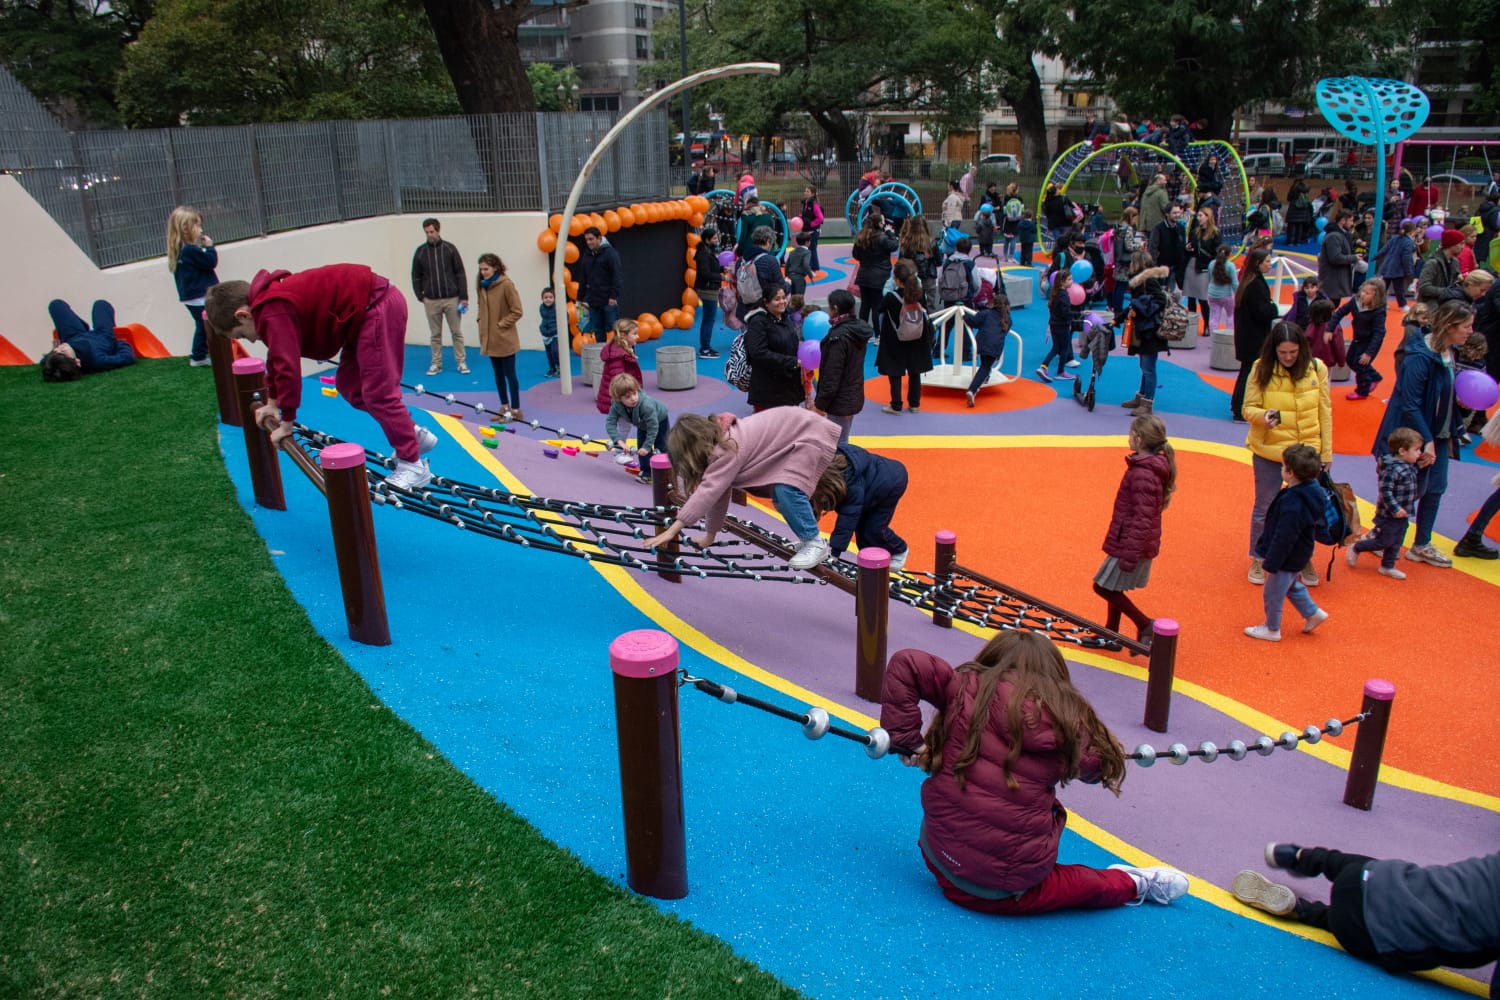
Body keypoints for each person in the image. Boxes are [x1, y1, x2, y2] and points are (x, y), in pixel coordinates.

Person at [879, 630, 1191, 915]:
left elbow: (907, 663)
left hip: (937, 858)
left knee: (968, 796)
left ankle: (1133, 882)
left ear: (994, 659)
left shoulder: (964, 686)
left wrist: (908, 742)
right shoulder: (1065, 723)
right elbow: (1099, 767)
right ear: (1054, 679)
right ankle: (1134, 883)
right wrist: (1094, 739)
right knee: (1081, 884)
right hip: (1003, 892)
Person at [205, 265, 438, 490]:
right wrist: (272, 404)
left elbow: (288, 369)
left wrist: (286, 423)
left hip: (377, 307)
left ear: (243, 315)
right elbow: (276, 358)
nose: (251, 340)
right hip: (363, 314)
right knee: (349, 386)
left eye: (242, 335)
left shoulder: (272, 310)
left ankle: (413, 464)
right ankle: (411, 434)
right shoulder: (267, 308)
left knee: (379, 393)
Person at [1231, 844, 1500, 995]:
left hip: (1368, 877)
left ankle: (1301, 856)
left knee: (1390, 874)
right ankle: (1304, 911)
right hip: (1359, 932)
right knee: (1413, 936)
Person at [646, 407, 842, 570]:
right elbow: (718, 494)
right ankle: (808, 539)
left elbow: (707, 492)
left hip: (808, 434)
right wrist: (710, 535)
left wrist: (673, 530)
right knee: (781, 497)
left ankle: (814, 542)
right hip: (802, 430)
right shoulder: (722, 444)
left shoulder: (727, 448)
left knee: (787, 489)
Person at [1370, 300, 1474, 569]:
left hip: (1435, 434)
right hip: (1411, 438)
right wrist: (1425, 441)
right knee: (1402, 490)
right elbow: (1410, 404)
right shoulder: (1419, 356)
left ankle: (1421, 544)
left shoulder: (1449, 351)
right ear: (1450, 327)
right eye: (1466, 326)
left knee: (1435, 488)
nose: (1470, 331)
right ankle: (1380, 535)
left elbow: (1440, 389)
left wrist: (1456, 400)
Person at [1242, 321, 1332, 587]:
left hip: (1306, 454)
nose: (1289, 357)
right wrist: (1262, 416)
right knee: (1265, 506)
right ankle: (1258, 556)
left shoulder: (1317, 368)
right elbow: (1248, 407)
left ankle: (1303, 557)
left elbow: (1324, 411)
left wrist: (1326, 452)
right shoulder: (1261, 368)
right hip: (1271, 449)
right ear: (1274, 350)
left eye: (1293, 351)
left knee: (1308, 510)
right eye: (1283, 352)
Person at [1093, 414, 1175, 648]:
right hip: (1129, 538)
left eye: (1130, 434)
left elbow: (1142, 518)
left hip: (1130, 540)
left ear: (1138, 439)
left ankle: (1144, 624)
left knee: (1102, 586)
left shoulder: (1143, 473)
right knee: (1112, 586)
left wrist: (1130, 553)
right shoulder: (1147, 467)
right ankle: (1111, 634)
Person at [1245, 444, 1330, 641]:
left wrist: (1272, 561)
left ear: (1290, 473)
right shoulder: (1311, 491)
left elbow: (1285, 536)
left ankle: (1272, 628)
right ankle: (1312, 612)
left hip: (1287, 556)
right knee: (1291, 586)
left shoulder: (1294, 501)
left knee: (1273, 592)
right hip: (1300, 553)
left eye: (1283, 466)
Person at [809, 444, 910, 571]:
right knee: (862, 534)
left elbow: (846, 522)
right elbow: (809, 507)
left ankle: (899, 550)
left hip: (891, 482)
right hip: (871, 484)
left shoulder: (851, 488)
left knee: (875, 528)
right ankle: (872, 558)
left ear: (830, 487)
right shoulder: (825, 475)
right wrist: (808, 539)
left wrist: (835, 553)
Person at [1346, 427, 1422, 578]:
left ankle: (1387, 566)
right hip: (1389, 514)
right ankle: (1358, 547)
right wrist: (1395, 509)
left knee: (1397, 541)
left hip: (1403, 512)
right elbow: (1385, 492)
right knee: (1384, 541)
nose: (1419, 453)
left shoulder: (1408, 465)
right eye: (1417, 450)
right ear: (1402, 451)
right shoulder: (1392, 469)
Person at [811, 289, 872, 442]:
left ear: (835, 308)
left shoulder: (838, 337)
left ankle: (842, 465)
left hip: (839, 398)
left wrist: (820, 404)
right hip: (852, 392)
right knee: (842, 436)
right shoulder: (857, 330)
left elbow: (832, 375)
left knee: (837, 442)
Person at [411, 218, 470, 376]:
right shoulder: (420, 252)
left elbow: (460, 273)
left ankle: (461, 362)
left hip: (452, 298)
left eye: (432, 231)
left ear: (438, 230)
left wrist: (464, 297)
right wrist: (420, 296)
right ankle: (436, 363)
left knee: (456, 332)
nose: (429, 235)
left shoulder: (450, 249)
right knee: (435, 335)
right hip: (430, 300)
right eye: (427, 232)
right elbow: (415, 275)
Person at [878, 261, 934, 414]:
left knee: (895, 371)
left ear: (896, 279)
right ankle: (914, 403)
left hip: (895, 338)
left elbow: (881, 312)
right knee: (915, 371)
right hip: (917, 337)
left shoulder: (891, 297)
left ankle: (896, 404)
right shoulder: (919, 295)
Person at [166, 205, 219, 366]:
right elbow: (210, 262)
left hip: (191, 296)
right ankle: (198, 356)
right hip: (199, 296)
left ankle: (202, 353)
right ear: (186, 229)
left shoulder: (180, 249)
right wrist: (210, 247)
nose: (200, 230)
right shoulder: (189, 250)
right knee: (205, 324)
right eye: (197, 225)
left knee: (203, 324)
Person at [474, 253, 524, 419]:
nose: (483, 272)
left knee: (510, 374)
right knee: (497, 374)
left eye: (486, 269)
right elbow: (481, 306)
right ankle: (504, 405)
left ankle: (516, 409)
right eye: (481, 269)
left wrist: (501, 325)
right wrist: (480, 321)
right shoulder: (481, 285)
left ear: (495, 267)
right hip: (490, 338)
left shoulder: (506, 285)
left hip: (504, 338)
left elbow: (517, 310)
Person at [1232, 248, 1280, 422]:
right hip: (1254, 337)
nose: (1269, 264)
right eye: (1267, 261)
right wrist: (1273, 308)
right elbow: (1261, 312)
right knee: (1249, 373)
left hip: (1247, 336)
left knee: (1246, 371)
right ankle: (1239, 407)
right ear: (1258, 264)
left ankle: (1238, 405)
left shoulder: (1249, 282)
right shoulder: (1256, 285)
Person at [41, 299, 136, 381]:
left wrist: (52, 353)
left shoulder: (56, 358)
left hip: (73, 336)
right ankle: (86, 327)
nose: (59, 348)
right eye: (63, 351)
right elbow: (127, 357)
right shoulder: (97, 360)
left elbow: (45, 361)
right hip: (102, 336)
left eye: (56, 351)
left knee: (56, 305)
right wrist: (117, 343)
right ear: (77, 362)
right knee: (101, 305)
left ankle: (84, 327)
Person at [743, 286, 803, 412]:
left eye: (783, 298)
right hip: (768, 388)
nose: (782, 302)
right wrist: (791, 362)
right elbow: (758, 353)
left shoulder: (785, 318)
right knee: (770, 429)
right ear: (766, 302)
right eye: (777, 299)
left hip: (789, 385)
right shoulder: (758, 322)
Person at [605, 373, 670, 485]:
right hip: (642, 424)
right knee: (641, 448)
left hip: (659, 420)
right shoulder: (616, 406)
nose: (633, 398)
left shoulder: (646, 405)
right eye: (627, 397)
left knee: (661, 446)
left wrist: (647, 446)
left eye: (634, 393)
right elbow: (610, 423)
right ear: (619, 398)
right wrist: (619, 441)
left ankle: (665, 472)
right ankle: (646, 472)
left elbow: (653, 427)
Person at [1333, 279, 1389, 401]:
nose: (1363, 294)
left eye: (1368, 293)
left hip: (1369, 341)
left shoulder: (1378, 311)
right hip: (1358, 337)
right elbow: (1340, 312)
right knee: (1350, 360)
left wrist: (1369, 353)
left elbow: (1378, 333)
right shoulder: (1356, 302)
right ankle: (1375, 376)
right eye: (1363, 291)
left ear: (1376, 297)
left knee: (1361, 364)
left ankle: (1362, 391)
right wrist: (1330, 328)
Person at [852, 209, 899, 335]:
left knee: (865, 305)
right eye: (883, 222)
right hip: (879, 276)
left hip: (864, 275)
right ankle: (878, 334)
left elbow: (855, 254)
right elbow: (894, 245)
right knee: (876, 305)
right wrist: (891, 233)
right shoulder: (882, 238)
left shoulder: (861, 236)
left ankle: (861, 331)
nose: (884, 224)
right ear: (879, 223)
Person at [963, 289, 1010, 408]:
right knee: (985, 366)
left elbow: (973, 321)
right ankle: (972, 390)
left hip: (982, 342)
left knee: (985, 364)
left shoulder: (986, 313)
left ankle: (982, 381)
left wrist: (964, 315)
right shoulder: (1007, 320)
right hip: (995, 347)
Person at [577, 226, 623, 342]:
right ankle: (601, 355)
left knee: (615, 328)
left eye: (591, 239)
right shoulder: (586, 256)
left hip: (608, 299)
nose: (588, 242)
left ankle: (622, 353)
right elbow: (583, 278)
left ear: (599, 238)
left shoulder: (611, 254)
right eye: (587, 239)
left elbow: (616, 276)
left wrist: (613, 296)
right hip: (593, 300)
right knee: (598, 329)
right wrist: (579, 298)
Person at [1036, 268, 1077, 384]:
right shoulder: (1064, 295)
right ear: (1062, 281)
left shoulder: (1056, 293)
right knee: (1064, 349)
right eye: (1069, 279)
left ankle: (1044, 367)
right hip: (1062, 325)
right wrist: (1078, 315)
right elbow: (1066, 312)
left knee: (1056, 348)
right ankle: (1061, 372)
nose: (1072, 281)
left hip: (1054, 324)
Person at [596, 318, 644, 415]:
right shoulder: (618, 356)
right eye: (634, 334)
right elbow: (619, 381)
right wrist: (631, 397)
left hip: (623, 397)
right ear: (624, 336)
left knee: (624, 425)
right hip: (618, 399)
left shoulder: (625, 350)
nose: (638, 336)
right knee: (622, 426)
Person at [1183, 206, 1220, 328]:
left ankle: (1206, 325)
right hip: (1193, 264)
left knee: (1203, 298)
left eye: (1200, 216)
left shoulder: (1215, 233)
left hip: (1205, 266)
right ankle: (1192, 325)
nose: (1198, 218)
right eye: (1198, 216)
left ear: (1208, 217)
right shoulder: (1195, 231)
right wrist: (1188, 249)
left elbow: (1217, 251)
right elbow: (1190, 246)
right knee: (1191, 297)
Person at [692, 226, 725, 358]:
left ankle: (705, 346)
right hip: (708, 289)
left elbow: (711, 269)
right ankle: (705, 348)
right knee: (709, 319)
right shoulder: (704, 254)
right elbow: (706, 273)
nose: (717, 240)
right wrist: (721, 277)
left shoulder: (706, 251)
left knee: (708, 318)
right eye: (714, 238)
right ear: (707, 239)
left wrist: (722, 269)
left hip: (709, 287)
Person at [1318, 210, 1361, 310]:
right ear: (1342, 221)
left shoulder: (1341, 235)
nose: (1352, 224)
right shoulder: (1334, 236)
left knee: (1332, 305)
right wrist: (1353, 258)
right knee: (1330, 306)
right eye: (1350, 221)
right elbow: (1335, 257)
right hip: (1332, 279)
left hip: (1335, 279)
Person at [1375, 219, 1419, 311]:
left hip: (1387, 266)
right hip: (1397, 268)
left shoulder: (1394, 238)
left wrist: (1375, 256)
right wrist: (1409, 271)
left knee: (1385, 286)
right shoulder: (1408, 243)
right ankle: (1403, 305)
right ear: (1412, 232)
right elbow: (1406, 259)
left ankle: (1380, 303)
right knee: (1398, 288)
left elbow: (1384, 249)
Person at [1148, 203, 1188, 295]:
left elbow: (1181, 246)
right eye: (1174, 213)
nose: (1177, 215)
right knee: (1158, 293)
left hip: (1174, 267)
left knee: (1170, 293)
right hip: (1161, 266)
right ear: (1167, 214)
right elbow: (1152, 248)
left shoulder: (1181, 228)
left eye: (1178, 213)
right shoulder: (1159, 228)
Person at [1418, 230, 1464, 305]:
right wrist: (1448, 292)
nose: (1463, 247)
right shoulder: (1432, 263)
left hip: (1447, 303)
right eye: (1461, 243)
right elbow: (1424, 287)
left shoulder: (1455, 262)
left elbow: (1454, 283)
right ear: (1452, 244)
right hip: (1431, 305)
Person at [1303, 298, 1345, 372]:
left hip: (1312, 360)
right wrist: (1341, 362)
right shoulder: (1334, 328)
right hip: (1327, 361)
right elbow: (1339, 346)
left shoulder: (1311, 326)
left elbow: (1305, 342)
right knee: (1325, 381)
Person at [1205, 246, 1237, 333]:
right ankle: (1227, 335)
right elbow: (1234, 283)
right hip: (1227, 295)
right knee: (1230, 315)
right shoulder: (1230, 266)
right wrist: (1238, 294)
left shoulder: (1211, 264)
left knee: (1214, 317)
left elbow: (1209, 279)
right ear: (1229, 254)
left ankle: (1213, 340)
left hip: (1212, 294)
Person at [799, 185, 825, 274]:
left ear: (812, 194)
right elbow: (806, 215)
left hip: (813, 231)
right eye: (805, 191)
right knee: (808, 249)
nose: (805, 193)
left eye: (808, 191)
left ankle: (813, 269)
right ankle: (810, 267)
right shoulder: (806, 203)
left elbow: (820, 218)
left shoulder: (814, 204)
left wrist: (811, 224)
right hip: (807, 230)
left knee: (812, 249)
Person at [784, 230, 814, 297]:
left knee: (793, 297)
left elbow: (787, 265)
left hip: (790, 276)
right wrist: (811, 276)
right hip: (799, 278)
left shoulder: (792, 252)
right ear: (807, 242)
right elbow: (806, 265)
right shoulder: (807, 252)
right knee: (799, 298)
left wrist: (786, 276)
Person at [539, 287, 560, 378]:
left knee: (555, 350)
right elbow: (544, 319)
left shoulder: (558, 307)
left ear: (554, 298)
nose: (548, 299)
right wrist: (542, 328)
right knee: (549, 353)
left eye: (550, 297)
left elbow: (565, 317)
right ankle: (552, 368)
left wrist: (555, 329)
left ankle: (559, 366)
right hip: (546, 334)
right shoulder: (541, 307)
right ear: (542, 298)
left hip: (555, 333)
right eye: (545, 297)